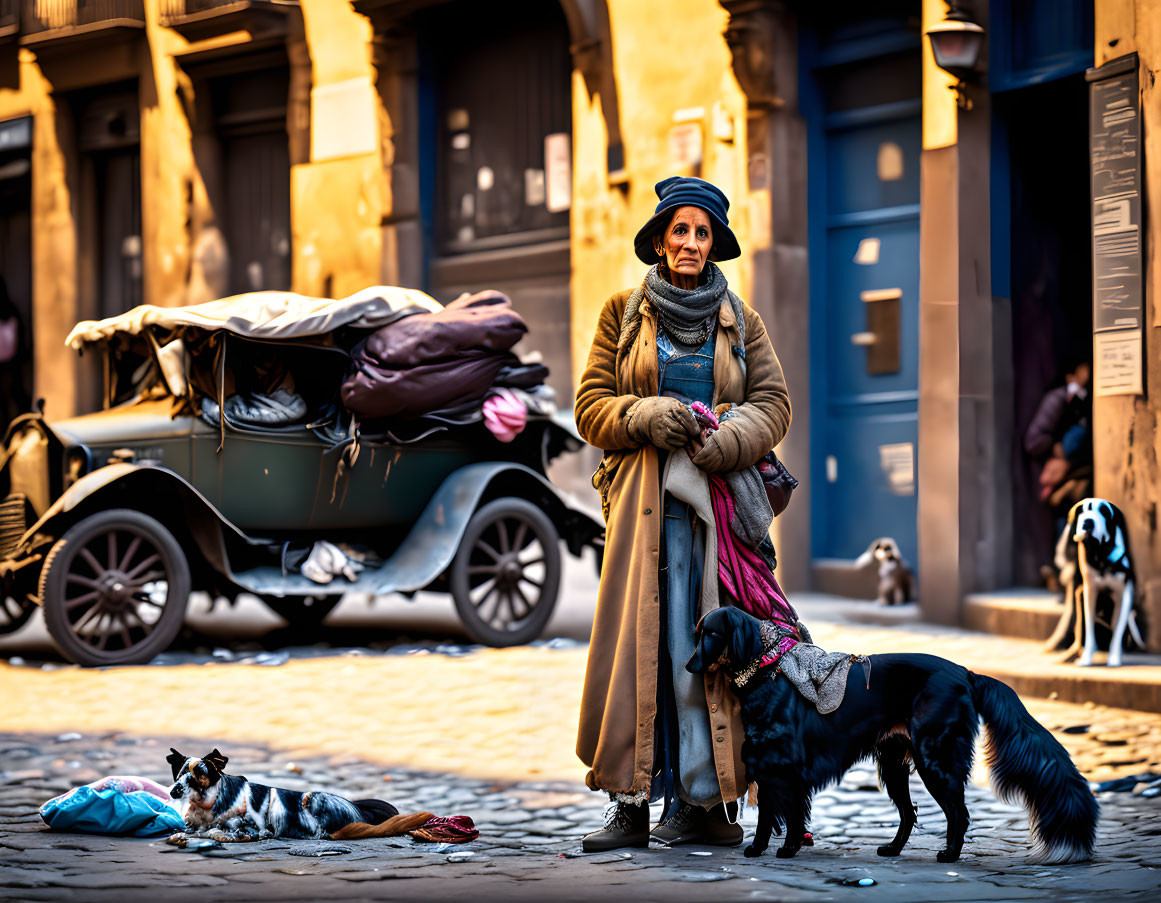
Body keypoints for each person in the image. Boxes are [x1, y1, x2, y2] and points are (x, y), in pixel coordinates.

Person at [574, 177, 791, 851]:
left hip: (716, 522)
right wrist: (641, 414)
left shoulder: (741, 320)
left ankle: (708, 803)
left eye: (702, 232)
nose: (690, 243)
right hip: (643, 518)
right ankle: (630, 804)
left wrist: (726, 441)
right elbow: (589, 406)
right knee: (639, 657)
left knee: (706, 657)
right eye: (680, 230)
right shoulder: (621, 312)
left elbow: (773, 403)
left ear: (714, 242)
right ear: (661, 238)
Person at [1024, 360, 1092, 585]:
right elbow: (1034, 441)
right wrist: (1059, 450)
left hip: (1071, 475)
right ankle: (1064, 575)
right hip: (1058, 480)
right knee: (1065, 522)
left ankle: (1068, 574)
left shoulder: (1084, 398)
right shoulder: (1060, 399)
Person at [0, 275, 31, 436]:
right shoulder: (11, 311)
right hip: (8, 363)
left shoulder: (11, 311)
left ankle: (19, 432)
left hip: (11, 364)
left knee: (15, 399)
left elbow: (19, 338)